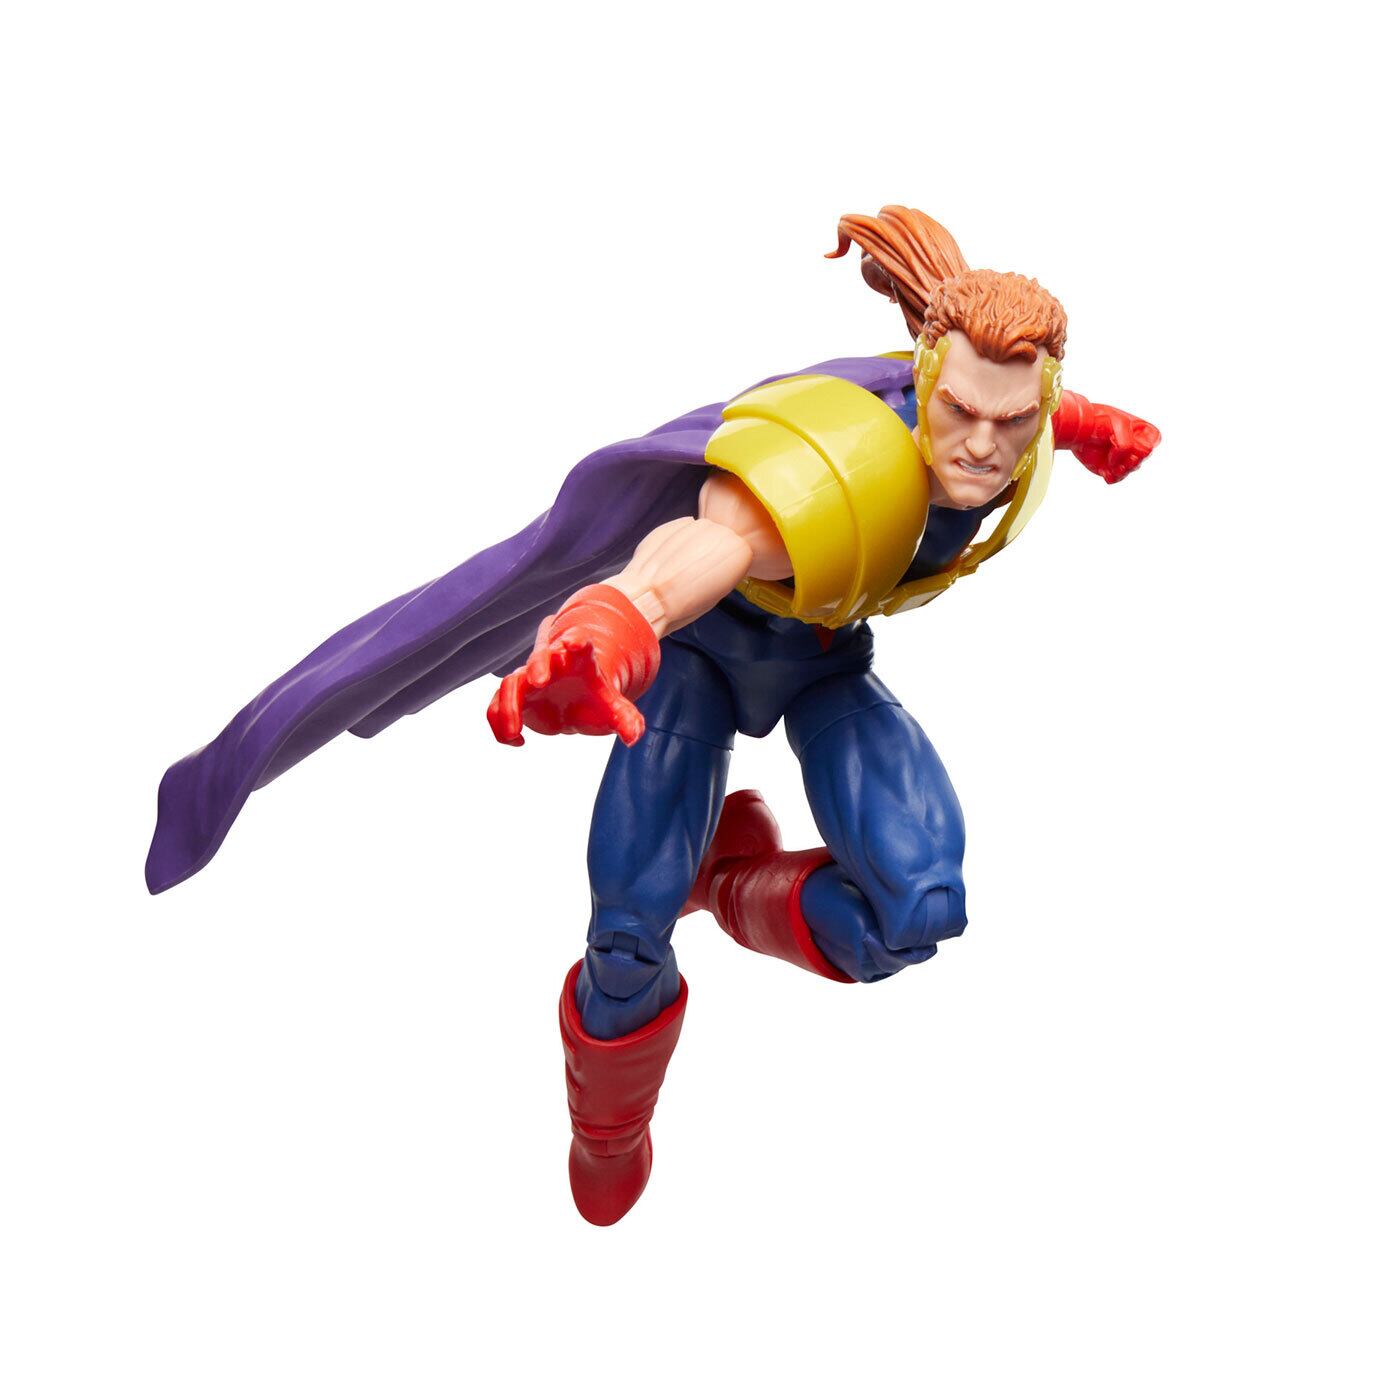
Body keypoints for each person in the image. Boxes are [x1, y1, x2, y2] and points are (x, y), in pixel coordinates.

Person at [146, 206, 1159, 1226]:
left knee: (919, 909)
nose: (982, 447)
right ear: (926, 379)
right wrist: (613, 624)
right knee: (626, 942)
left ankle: (724, 882)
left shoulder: (1013, 420)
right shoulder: (837, 459)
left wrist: (1085, 428)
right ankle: (608, 1127)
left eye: (1013, 422)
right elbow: (703, 548)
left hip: (824, 668)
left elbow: (1030, 411)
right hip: (696, 668)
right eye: (960, 414)